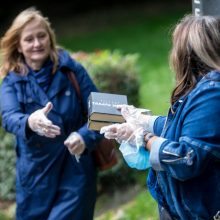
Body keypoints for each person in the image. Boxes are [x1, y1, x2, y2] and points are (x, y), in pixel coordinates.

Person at [100, 14, 220, 220]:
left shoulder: (212, 93)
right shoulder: (203, 86)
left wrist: (143, 137)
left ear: (189, 52)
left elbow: (186, 158)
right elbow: (187, 130)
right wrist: (143, 120)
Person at [0, 7, 102, 220]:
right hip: (35, 177)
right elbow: (8, 117)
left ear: (50, 38)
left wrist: (84, 136)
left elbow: (106, 112)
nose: (37, 43)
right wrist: (30, 121)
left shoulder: (71, 70)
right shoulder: (11, 81)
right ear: (18, 45)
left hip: (75, 171)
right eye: (29, 39)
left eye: (41, 36)